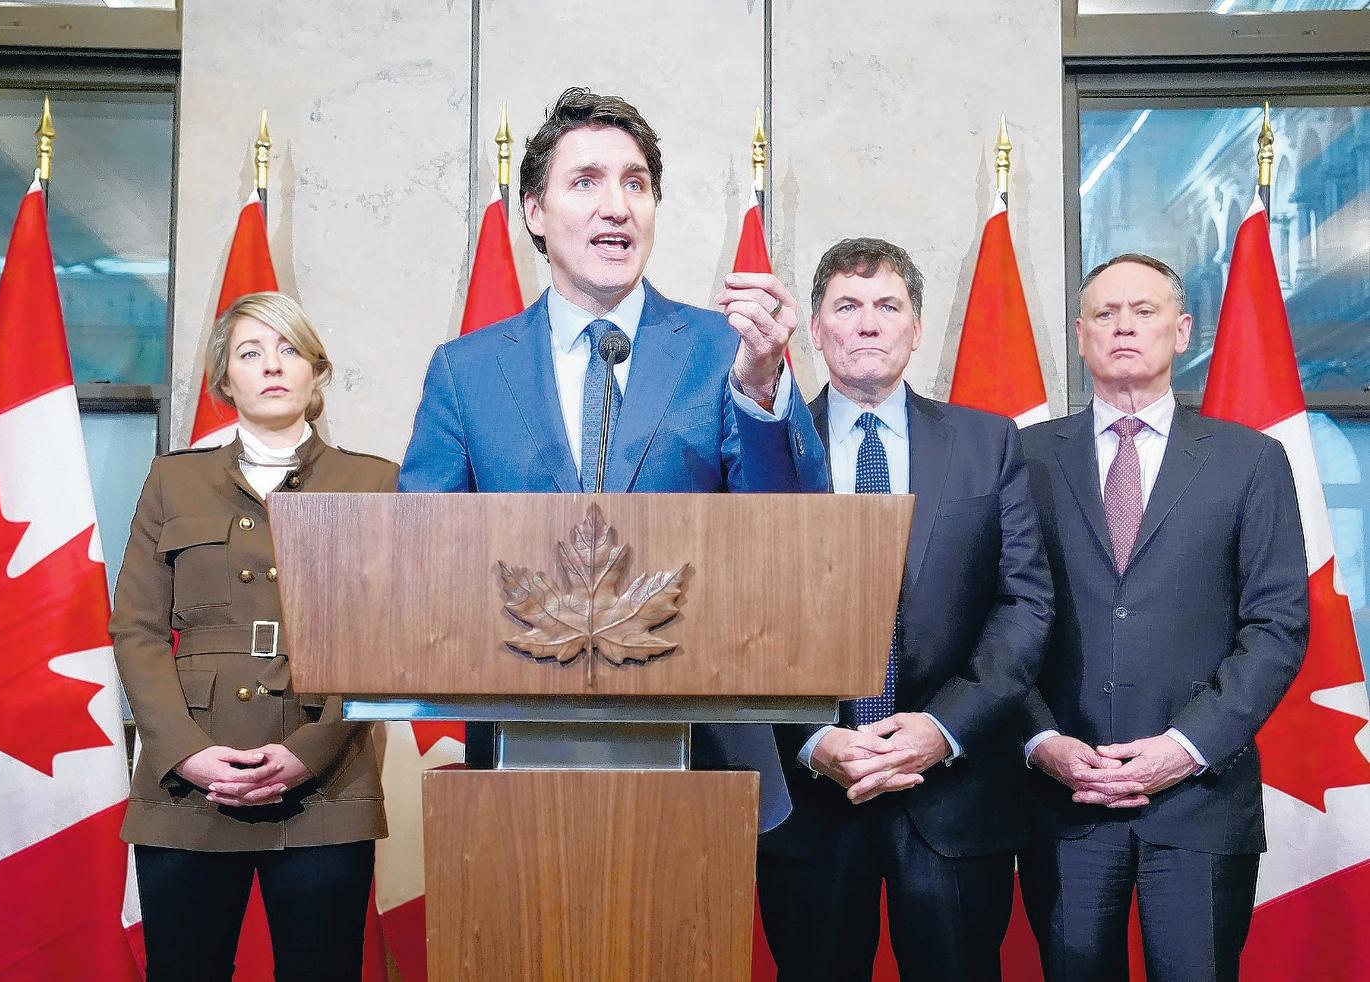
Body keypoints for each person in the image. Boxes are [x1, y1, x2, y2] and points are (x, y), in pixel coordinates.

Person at [398, 86, 827, 828]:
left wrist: (761, 389)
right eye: (586, 182)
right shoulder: (467, 372)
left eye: (635, 184)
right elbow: (423, 553)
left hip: (706, 754)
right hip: (522, 751)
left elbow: (790, 530)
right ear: (535, 212)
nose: (616, 207)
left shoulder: (724, 351)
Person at [756, 238, 1053, 981]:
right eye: (846, 306)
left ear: (916, 329)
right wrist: (812, 738)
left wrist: (940, 728)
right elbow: (743, 616)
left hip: (952, 792)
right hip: (811, 795)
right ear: (814, 330)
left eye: (888, 306)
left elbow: (1024, 604)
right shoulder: (764, 451)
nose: (868, 323)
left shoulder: (988, 443)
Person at [1018, 254, 1308, 982]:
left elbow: (1276, 626)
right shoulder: (1022, 458)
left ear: (1181, 332)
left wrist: (1186, 746)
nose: (1123, 327)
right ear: (1080, 336)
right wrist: (1042, 739)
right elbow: (996, 619)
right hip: (1066, 796)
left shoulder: (1250, 460)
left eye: (1143, 311)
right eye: (1105, 314)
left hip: (1200, 801)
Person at [110, 291, 398, 981]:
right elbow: (137, 628)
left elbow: (386, 635)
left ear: (316, 371)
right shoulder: (173, 480)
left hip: (328, 778)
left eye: (289, 349)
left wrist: (310, 751)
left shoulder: (375, 482)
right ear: (224, 378)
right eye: (250, 352)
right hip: (187, 784)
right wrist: (184, 753)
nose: (272, 365)